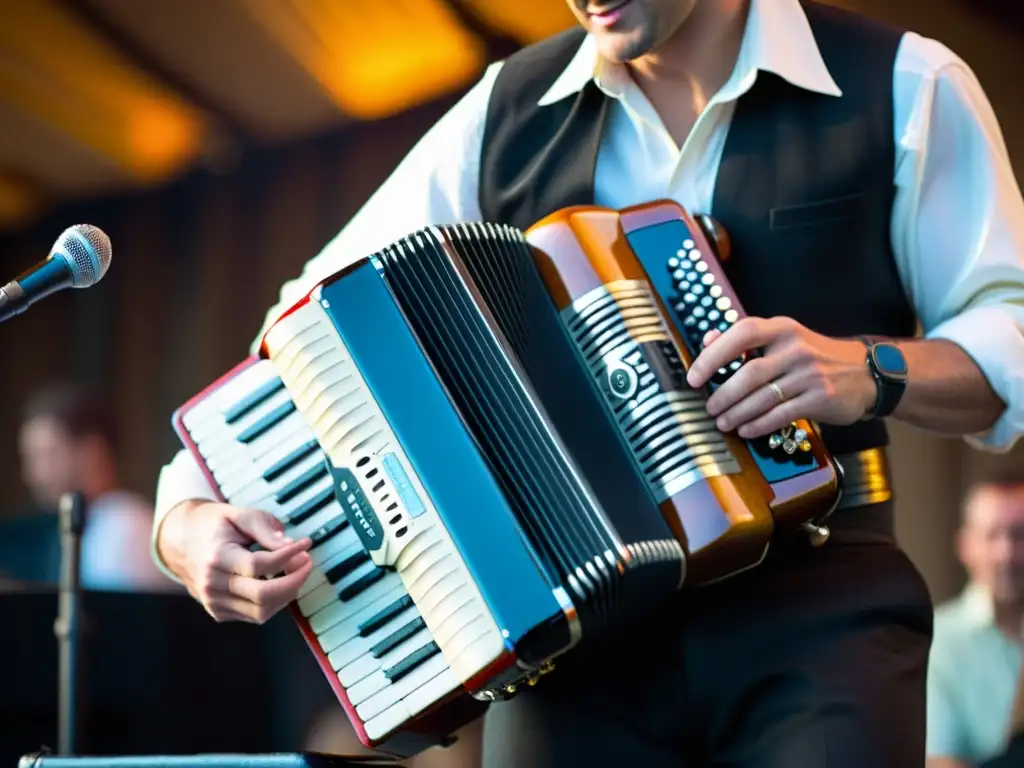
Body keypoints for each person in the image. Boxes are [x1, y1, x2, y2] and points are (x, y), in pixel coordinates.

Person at [150, 0, 1024, 765]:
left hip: (823, 616)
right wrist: (185, 515)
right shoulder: (504, 109)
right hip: (578, 646)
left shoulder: (905, 81)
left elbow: (1010, 329)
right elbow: (310, 323)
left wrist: (871, 368)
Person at [16, 383, 174, 592]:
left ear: (91, 451)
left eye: (48, 456)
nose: (34, 475)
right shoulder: (95, 524)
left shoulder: (126, 528)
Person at [928, 472, 1024, 768]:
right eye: (992, 535)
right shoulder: (938, 641)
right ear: (964, 545)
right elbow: (938, 761)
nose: (1006, 554)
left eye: (1020, 535)